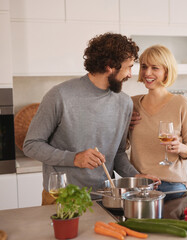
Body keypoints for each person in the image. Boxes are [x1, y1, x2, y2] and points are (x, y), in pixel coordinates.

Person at [23, 32, 159, 205]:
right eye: (128, 67)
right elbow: (31, 145)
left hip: (105, 198)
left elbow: (116, 153)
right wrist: (74, 158)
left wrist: (134, 175)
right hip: (61, 198)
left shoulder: (124, 102)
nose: (130, 74)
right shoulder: (60, 95)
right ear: (110, 66)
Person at [129, 45, 187, 200]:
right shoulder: (132, 104)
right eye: (144, 67)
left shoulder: (182, 104)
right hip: (140, 186)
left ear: (167, 71)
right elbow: (122, 147)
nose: (147, 73)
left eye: (155, 68)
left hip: (172, 185)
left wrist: (180, 147)